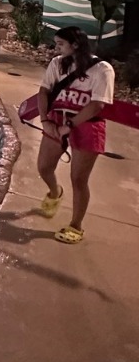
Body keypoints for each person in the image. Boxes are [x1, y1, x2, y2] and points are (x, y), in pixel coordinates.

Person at [36, 26, 114, 245]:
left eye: (61, 44)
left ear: (76, 45)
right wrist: (45, 120)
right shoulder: (57, 64)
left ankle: (76, 225)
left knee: (79, 179)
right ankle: (55, 192)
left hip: (88, 125)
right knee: (44, 167)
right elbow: (44, 92)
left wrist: (69, 126)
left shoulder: (102, 69)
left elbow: (97, 105)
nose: (56, 48)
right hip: (56, 121)